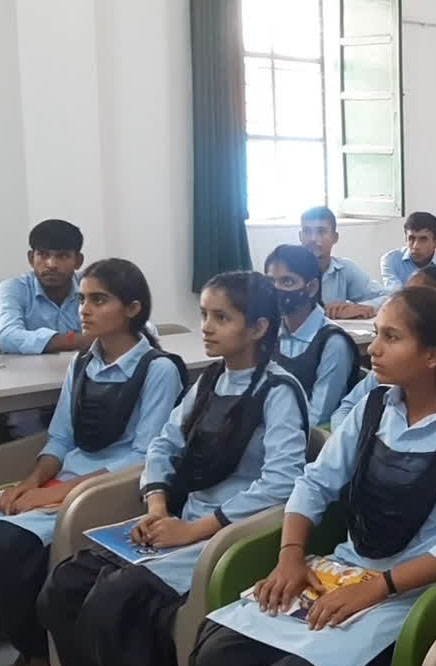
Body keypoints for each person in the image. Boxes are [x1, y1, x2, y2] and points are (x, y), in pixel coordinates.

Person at [191, 286, 436, 666]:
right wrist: (291, 557)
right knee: (217, 651)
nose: (374, 349)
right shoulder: (373, 406)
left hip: (407, 595)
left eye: (391, 337)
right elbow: (315, 482)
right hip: (343, 573)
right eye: (377, 333)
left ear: (432, 355)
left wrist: (381, 586)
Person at [37, 271, 309, 666]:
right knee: (63, 586)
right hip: (181, 522)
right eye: (204, 315)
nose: (207, 328)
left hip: (229, 534)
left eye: (221, 318)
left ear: (258, 328)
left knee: (114, 602)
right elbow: (164, 445)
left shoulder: (279, 392)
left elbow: (282, 483)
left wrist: (195, 530)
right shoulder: (210, 380)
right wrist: (157, 509)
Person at [0, 258, 185, 666]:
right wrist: (29, 484)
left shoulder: (158, 369)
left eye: (99, 300)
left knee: (9, 545)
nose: (84, 310)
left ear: (133, 308)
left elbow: (143, 457)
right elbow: (60, 439)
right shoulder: (82, 362)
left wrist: (59, 495)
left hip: (106, 491)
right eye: (83, 299)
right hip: (65, 483)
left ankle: (36, 651)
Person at [328, 266, 436, 431]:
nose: (372, 349)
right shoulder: (384, 377)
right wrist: (355, 440)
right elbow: (346, 409)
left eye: (391, 337)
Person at [265, 244, 361, 427]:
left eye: (287, 282)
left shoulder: (333, 343)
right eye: (270, 282)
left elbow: (317, 417)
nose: (276, 289)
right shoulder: (270, 331)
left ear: (311, 288)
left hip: (305, 437)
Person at [0, 218, 90, 354]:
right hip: (29, 369)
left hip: (84, 367)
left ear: (78, 261)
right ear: (31, 258)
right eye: (43, 255)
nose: (51, 264)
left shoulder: (91, 287)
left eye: (62, 256)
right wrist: (74, 340)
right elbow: (6, 337)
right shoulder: (14, 288)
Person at [299, 206, 387, 320]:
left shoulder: (344, 269)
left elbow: (387, 298)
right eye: (307, 231)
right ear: (300, 236)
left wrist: (358, 308)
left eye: (321, 231)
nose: (313, 239)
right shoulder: (287, 270)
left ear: (335, 238)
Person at [380, 212, 436, 292]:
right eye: (411, 238)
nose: (416, 246)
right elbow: (397, 294)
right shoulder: (391, 260)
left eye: (423, 239)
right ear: (406, 239)